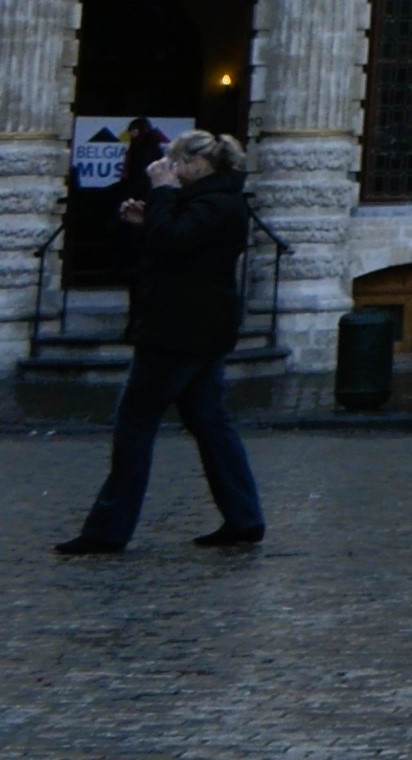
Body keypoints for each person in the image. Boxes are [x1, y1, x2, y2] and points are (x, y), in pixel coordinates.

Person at [54, 131, 260, 555]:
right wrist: (147, 219)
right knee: (210, 423)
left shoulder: (218, 202)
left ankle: (109, 529)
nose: (172, 169)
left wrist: (162, 195)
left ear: (200, 164)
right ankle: (243, 518)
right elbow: (174, 244)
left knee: (135, 425)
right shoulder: (211, 201)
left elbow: (177, 240)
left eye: (178, 162)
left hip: (178, 331)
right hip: (196, 328)